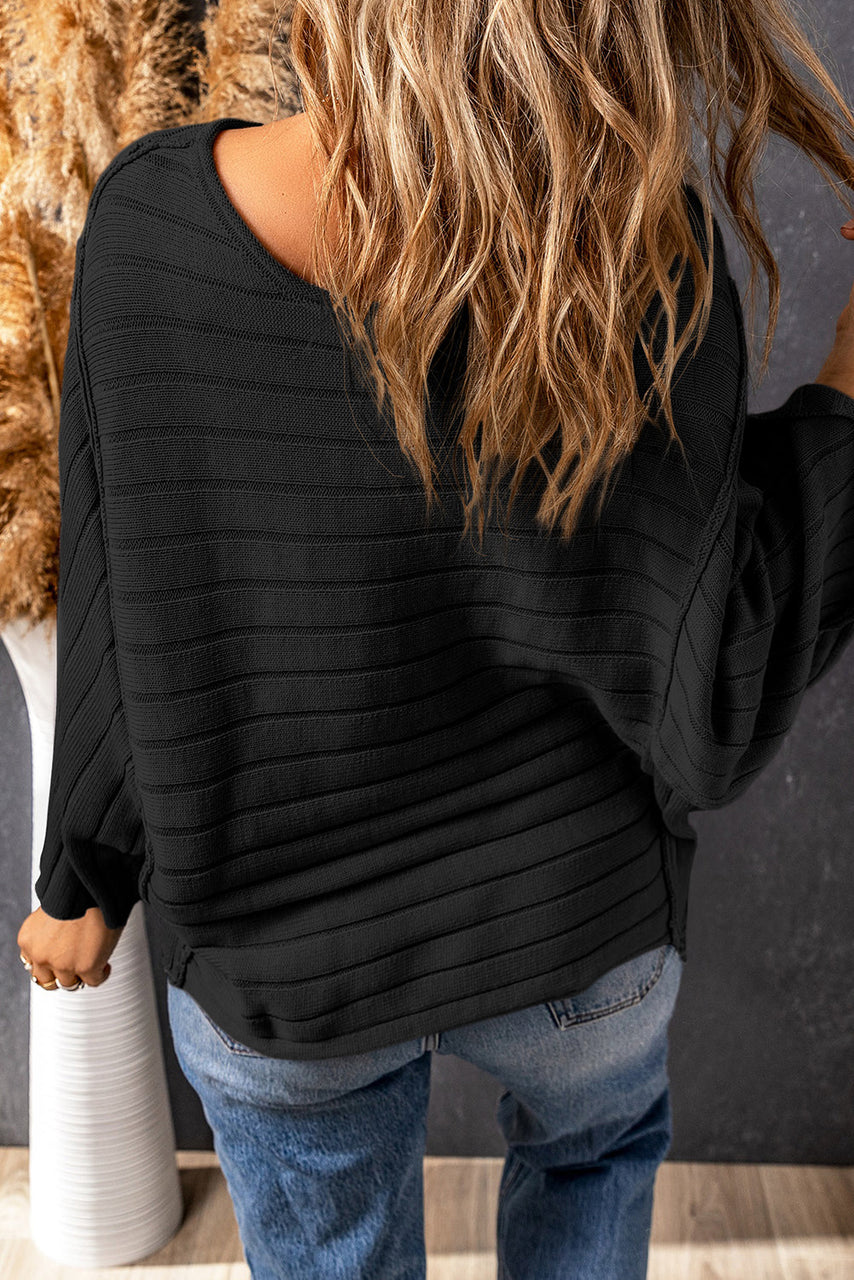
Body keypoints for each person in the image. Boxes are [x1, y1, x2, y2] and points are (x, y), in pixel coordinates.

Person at [16, 0, 854, 1275]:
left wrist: (84, 869)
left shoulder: (150, 226)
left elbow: (125, 582)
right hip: (576, 939)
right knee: (589, 1158)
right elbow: (716, 694)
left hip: (283, 964)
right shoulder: (642, 253)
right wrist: (845, 383)